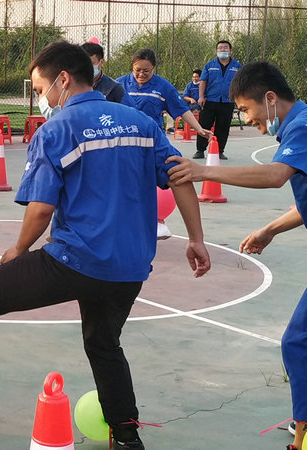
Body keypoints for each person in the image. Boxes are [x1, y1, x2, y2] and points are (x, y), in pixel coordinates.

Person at [0, 41, 212, 450]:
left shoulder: (57, 130)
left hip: (76, 259)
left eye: (40, 89)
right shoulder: (141, 123)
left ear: (63, 80)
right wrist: (196, 239)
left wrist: (17, 251)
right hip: (130, 267)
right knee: (104, 343)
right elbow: (181, 177)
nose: (42, 99)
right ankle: (126, 436)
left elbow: (41, 209)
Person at [166, 61, 307, 450]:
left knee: (298, 341)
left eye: (246, 109)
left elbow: (275, 176)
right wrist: (270, 229)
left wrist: (203, 172)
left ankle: (303, 434)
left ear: (270, 98)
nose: (245, 119)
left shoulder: (301, 126)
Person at [117, 48, 212, 240]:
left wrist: (199, 128)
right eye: (137, 70)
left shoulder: (163, 87)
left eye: (146, 71)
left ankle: (158, 221)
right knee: (125, 183)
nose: (141, 74)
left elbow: (181, 109)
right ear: (132, 67)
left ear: (153, 69)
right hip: (124, 143)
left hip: (153, 143)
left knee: (168, 175)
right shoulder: (119, 85)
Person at [194, 40, 242, 160]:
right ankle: (200, 150)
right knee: (204, 125)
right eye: (220, 48)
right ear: (216, 51)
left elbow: (241, 83)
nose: (223, 50)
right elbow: (203, 81)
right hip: (210, 100)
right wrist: (201, 97)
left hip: (227, 101)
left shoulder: (237, 66)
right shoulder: (209, 65)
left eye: (225, 48)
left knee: (223, 127)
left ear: (230, 51)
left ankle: (219, 151)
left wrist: (239, 98)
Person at [80, 42, 134, 106]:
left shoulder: (113, 88)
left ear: (102, 62)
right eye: (82, 63)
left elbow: (131, 109)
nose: (86, 67)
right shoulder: (73, 85)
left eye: (91, 63)